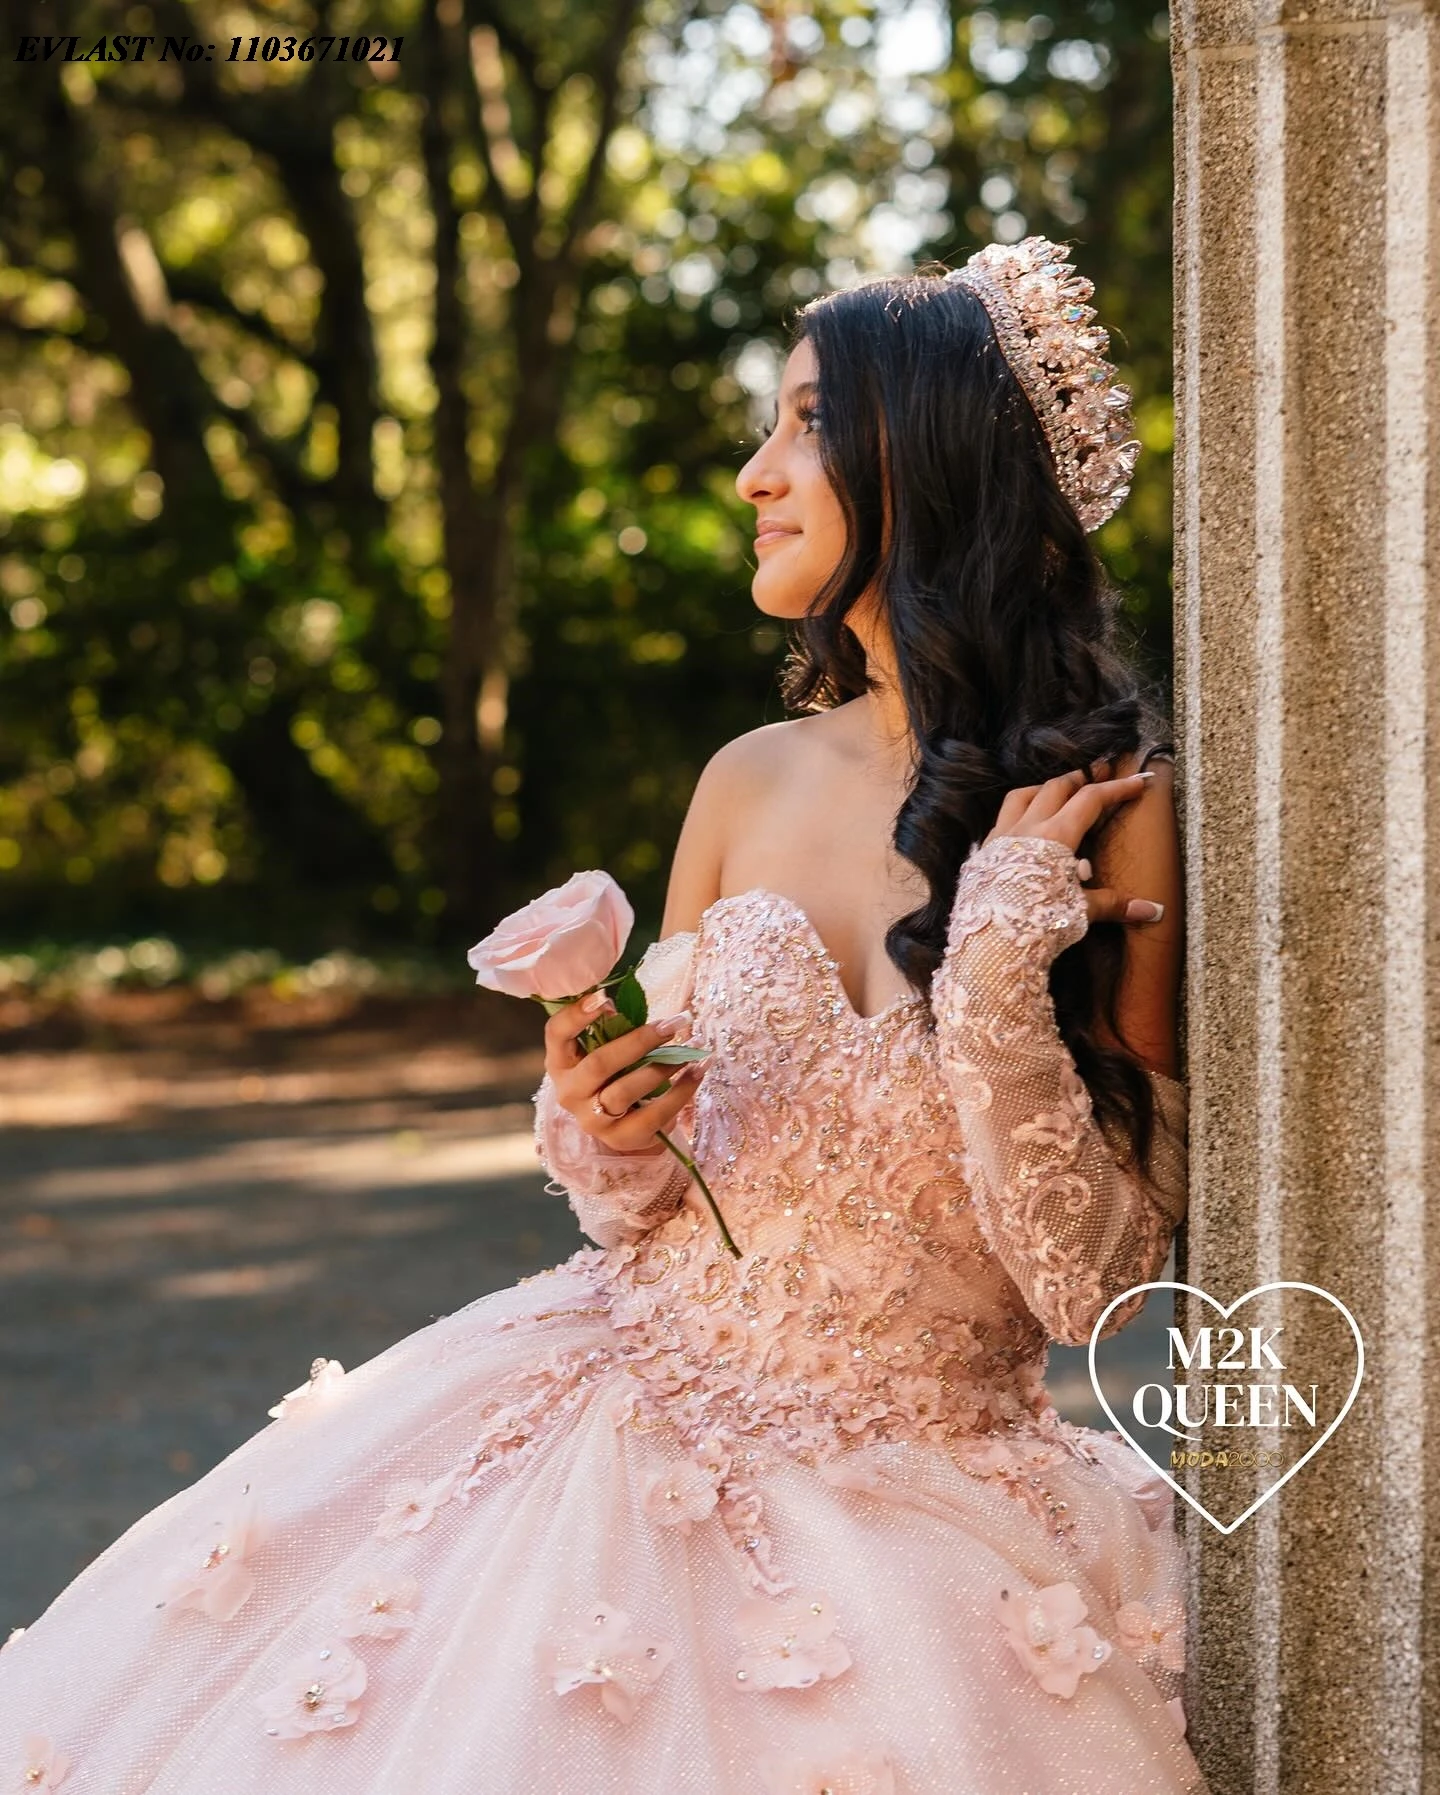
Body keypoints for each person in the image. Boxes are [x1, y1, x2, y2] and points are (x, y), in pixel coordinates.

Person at [0, 237, 1208, 1794]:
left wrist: (992, 983)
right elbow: (640, 1197)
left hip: (927, 1515)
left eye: (803, 423)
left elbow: (1095, 1289)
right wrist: (603, 1112)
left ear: (932, 456)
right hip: (597, 1426)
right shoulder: (745, 778)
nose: (754, 472)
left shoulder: (1109, 816)